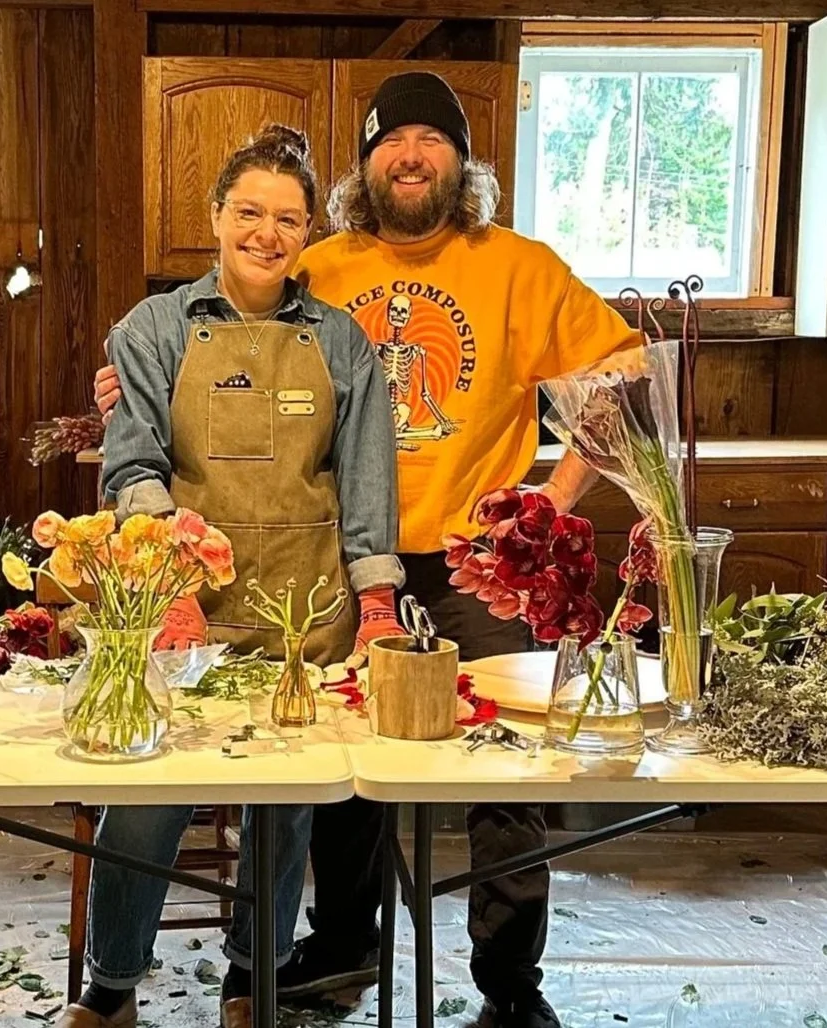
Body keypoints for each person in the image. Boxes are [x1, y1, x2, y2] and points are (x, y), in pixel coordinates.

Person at [95, 73, 640, 1027]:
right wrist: (130, 395)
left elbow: (628, 373)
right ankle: (343, 945)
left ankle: (511, 983)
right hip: (344, 559)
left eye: (435, 139)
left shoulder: (520, 266)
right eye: (394, 139)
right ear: (363, 165)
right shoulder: (323, 265)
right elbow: (229, 347)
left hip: (481, 562)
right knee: (344, 773)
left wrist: (551, 500)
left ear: (463, 162)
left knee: (504, 768)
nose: (413, 155)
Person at [58, 125, 405, 1028]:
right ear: (214, 218)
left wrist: (376, 601)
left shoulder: (341, 342)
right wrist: (163, 571)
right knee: (146, 797)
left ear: (306, 234)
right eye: (248, 212)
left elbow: (366, 475)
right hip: (183, 610)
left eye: (287, 218)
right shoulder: (153, 329)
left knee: (281, 813)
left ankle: (253, 977)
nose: (266, 233)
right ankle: (111, 985)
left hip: (306, 609)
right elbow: (130, 465)